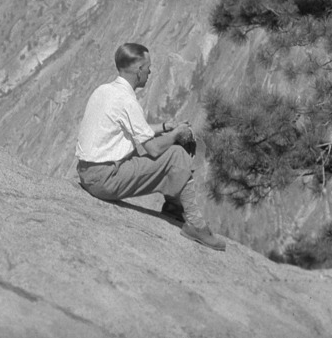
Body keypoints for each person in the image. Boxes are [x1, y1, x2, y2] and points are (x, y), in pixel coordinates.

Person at [74, 42, 226, 251]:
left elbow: (137, 129)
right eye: (148, 67)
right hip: (104, 179)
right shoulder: (127, 100)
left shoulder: (104, 90)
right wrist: (175, 134)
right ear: (138, 71)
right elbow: (154, 149)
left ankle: (174, 206)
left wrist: (165, 127)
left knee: (158, 146)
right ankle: (195, 224)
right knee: (176, 153)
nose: (150, 71)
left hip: (86, 172)